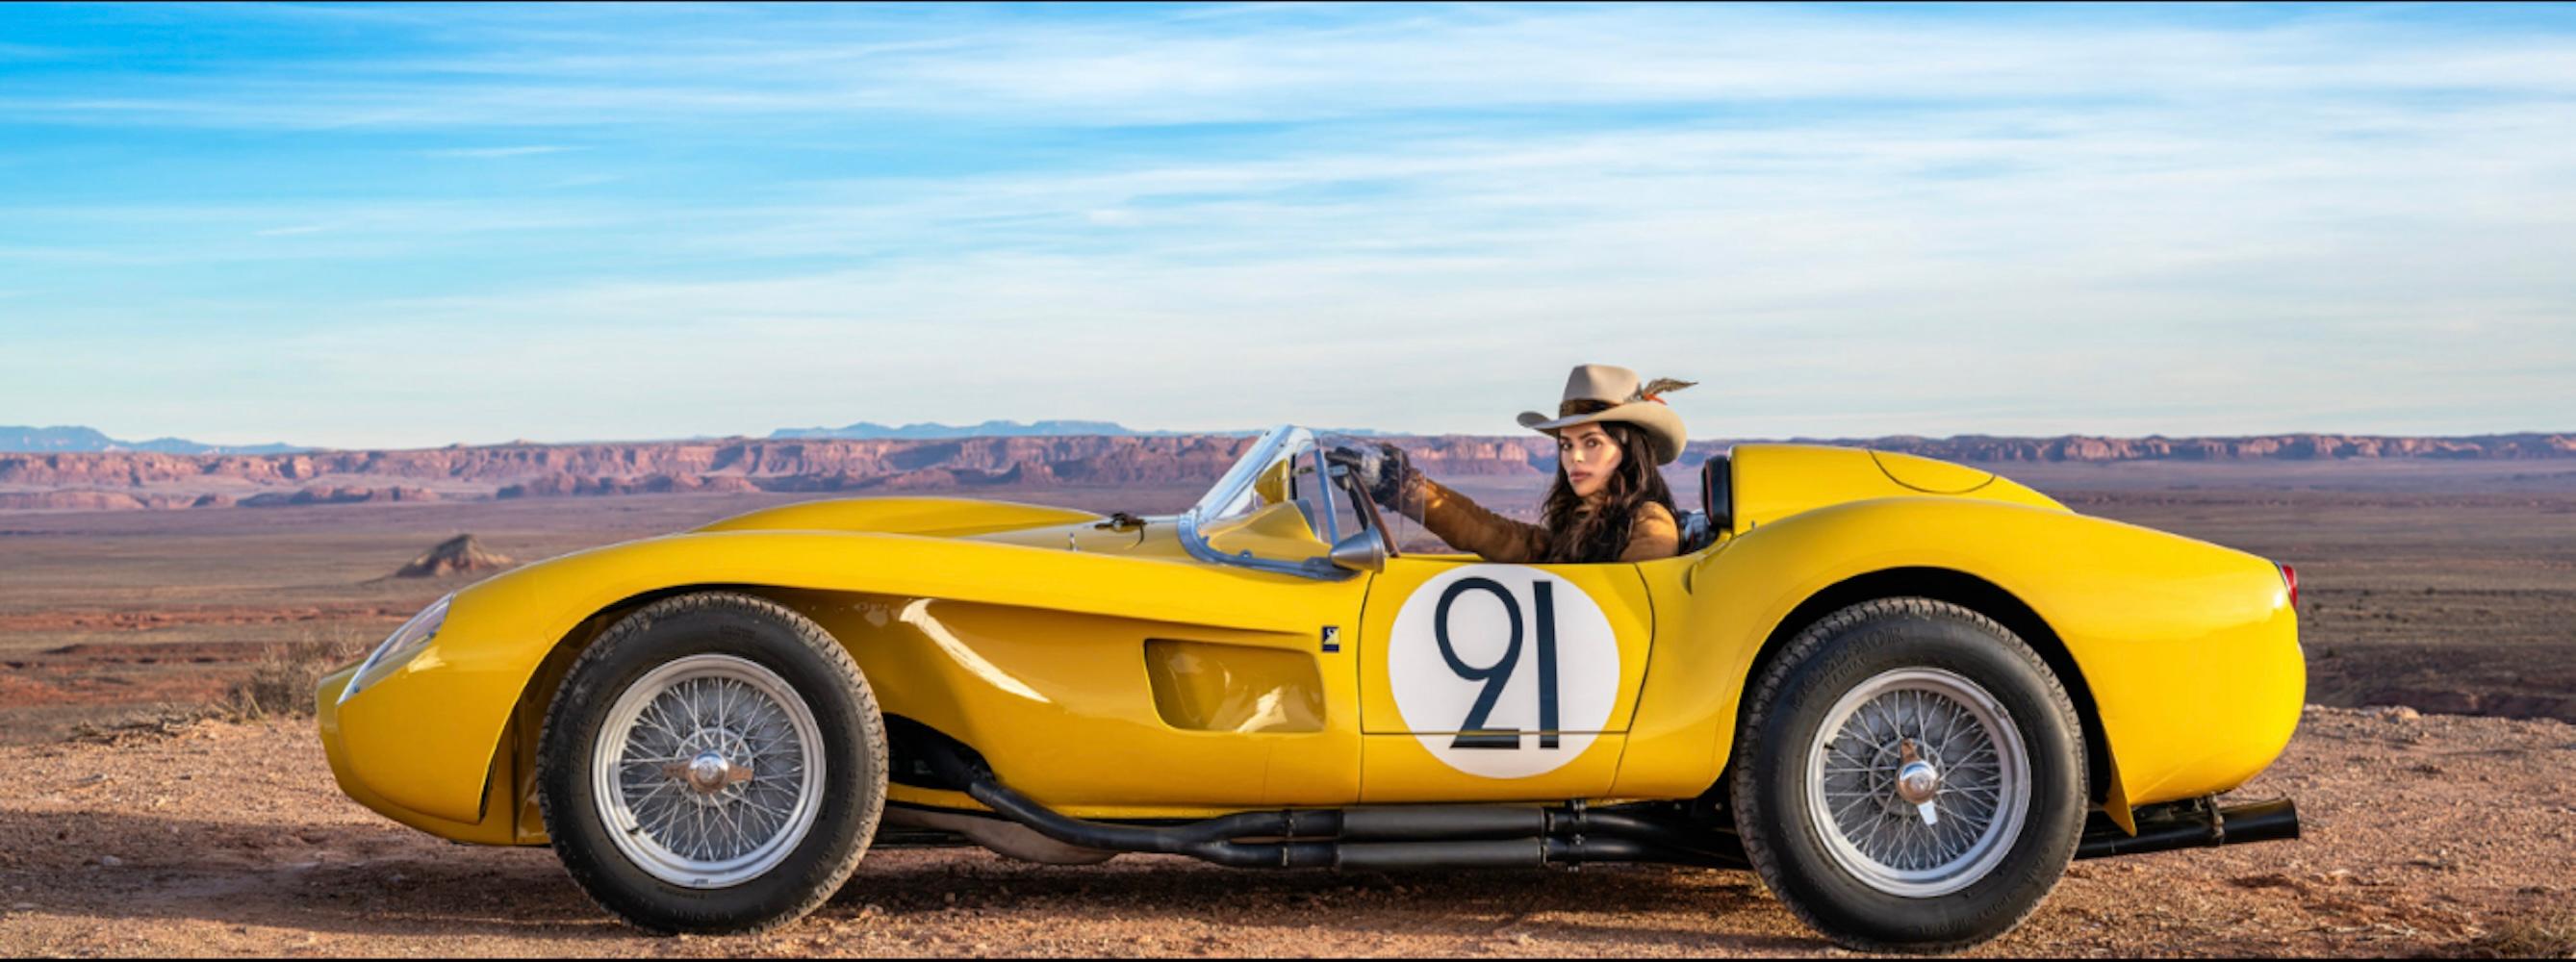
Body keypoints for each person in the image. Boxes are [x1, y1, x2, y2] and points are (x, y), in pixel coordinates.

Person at [1337, 364, 1694, 564]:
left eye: (1592, 443)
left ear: (1629, 452)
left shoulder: (1650, 522)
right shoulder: (1578, 527)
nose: (1575, 458)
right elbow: (1492, 533)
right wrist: (1398, 485)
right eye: (1566, 445)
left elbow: (1639, 606)